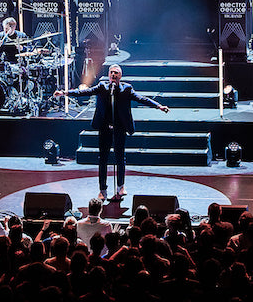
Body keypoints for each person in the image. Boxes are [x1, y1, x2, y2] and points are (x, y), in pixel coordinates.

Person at [53, 64, 170, 200]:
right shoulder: (102, 87)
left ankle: (121, 187)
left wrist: (158, 106)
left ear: (120, 76)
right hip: (105, 127)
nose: (113, 75)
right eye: (111, 72)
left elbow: (142, 99)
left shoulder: (127, 89)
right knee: (103, 159)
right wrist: (65, 93)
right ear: (109, 75)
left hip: (120, 128)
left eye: (116, 73)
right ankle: (102, 190)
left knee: (120, 157)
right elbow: (85, 92)